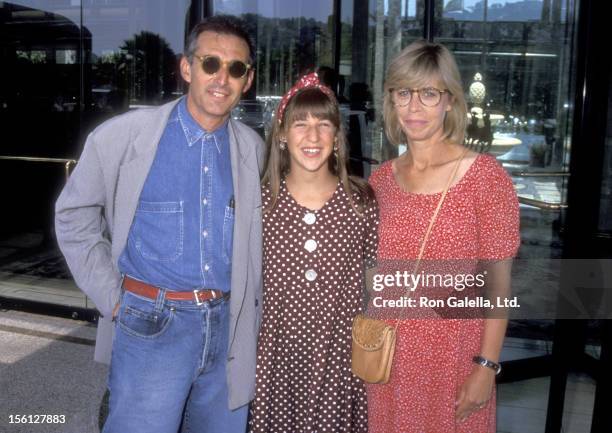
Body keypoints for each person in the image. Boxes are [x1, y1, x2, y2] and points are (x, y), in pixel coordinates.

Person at [55, 15, 264, 433]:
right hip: (152, 326)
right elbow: (74, 215)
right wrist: (113, 297)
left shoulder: (253, 149)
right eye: (210, 63)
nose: (222, 78)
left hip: (227, 330)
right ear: (187, 68)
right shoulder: (123, 138)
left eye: (235, 68)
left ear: (248, 79)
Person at [366, 40, 520, 432]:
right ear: (392, 100)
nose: (414, 107)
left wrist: (486, 366)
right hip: (390, 357)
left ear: (450, 101)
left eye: (428, 94)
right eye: (404, 93)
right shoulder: (380, 181)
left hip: (454, 358)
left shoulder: (485, 179)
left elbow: (498, 285)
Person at [248, 72, 378, 433]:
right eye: (300, 123)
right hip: (276, 360)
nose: (312, 135)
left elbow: (375, 283)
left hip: (340, 360)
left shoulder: (360, 202)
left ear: (337, 137)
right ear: (282, 136)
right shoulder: (261, 203)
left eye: (324, 124)